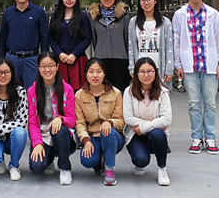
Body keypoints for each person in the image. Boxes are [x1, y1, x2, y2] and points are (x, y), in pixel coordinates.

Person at [173, 0, 219, 155]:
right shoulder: (180, 15)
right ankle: (196, 137)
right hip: (189, 67)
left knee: (210, 103)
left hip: (209, 66)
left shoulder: (213, 14)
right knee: (194, 103)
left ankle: (210, 137)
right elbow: (176, 41)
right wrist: (178, 65)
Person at [28, 51, 76, 186]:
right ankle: (48, 160)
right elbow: (32, 123)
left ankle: (65, 167)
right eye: (43, 66)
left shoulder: (67, 89)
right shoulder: (32, 91)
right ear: (38, 68)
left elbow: (72, 119)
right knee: (36, 167)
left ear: (57, 66)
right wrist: (37, 143)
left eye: (51, 66)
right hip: (43, 134)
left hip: (63, 135)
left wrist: (60, 119)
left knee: (58, 130)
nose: (47, 70)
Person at [75, 58, 125, 186]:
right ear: (86, 74)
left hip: (113, 136)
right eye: (91, 71)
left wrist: (110, 122)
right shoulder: (79, 95)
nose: (95, 75)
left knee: (107, 132)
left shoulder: (115, 93)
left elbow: (121, 121)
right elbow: (79, 123)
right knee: (87, 161)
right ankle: (99, 162)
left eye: (99, 71)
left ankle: (109, 169)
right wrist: (86, 140)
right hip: (93, 136)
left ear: (104, 74)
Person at [123, 57, 172, 186]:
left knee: (157, 134)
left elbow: (167, 119)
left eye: (150, 71)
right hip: (135, 134)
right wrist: (154, 123)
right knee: (141, 160)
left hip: (151, 132)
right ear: (136, 73)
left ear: (155, 72)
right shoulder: (129, 92)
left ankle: (162, 169)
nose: (146, 75)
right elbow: (128, 118)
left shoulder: (163, 92)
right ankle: (140, 162)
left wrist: (143, 127)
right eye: (142, 72)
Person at [0, 58, 29, 181]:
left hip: (12, 138)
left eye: (6, 72)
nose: (3, 76)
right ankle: (0, 158)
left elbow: (22, 121)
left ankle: (14, 165)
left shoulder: (20, 92)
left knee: (20, 132)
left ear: (12, 73)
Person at [0, 0, 49, 88]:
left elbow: (44, 38)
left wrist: (44, 59)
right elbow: (3, 38)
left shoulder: (39, 12)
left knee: (32, 91)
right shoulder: (7, 13)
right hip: (12, 59)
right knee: (11, 90)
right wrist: (1, 60)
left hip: (32, 59)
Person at [128, 0, 174, 89]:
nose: (146, 3)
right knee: (141, 95)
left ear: (155, 1)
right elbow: (131, 47)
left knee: (160, 95)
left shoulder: (165, 22)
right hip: (141, 68)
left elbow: (169, 47)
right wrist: (132, 68)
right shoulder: (133, 22)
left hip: (159, 67)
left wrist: (169, 69)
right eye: (143, 0)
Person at [49, 0, 92, 91]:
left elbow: (87, 38)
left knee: (80, 92)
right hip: (61, 60)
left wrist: (74, 54)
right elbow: (51, 38)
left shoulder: (83, 16)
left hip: (78, 60)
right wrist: (59, 53)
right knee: (61, 91)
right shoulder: (55, 17)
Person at [89, 0, 130, 92]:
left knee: (120, 92)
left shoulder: (124, 17)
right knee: (103, 92)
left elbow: (127, 39)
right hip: (101, 60)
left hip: (120, 60)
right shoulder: (94, 18)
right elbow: (94, 40)